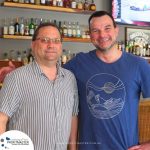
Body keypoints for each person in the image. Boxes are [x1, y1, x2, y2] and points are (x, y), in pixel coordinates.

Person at [64, 11, 150, 150]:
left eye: (107, 28)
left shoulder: (138, 65)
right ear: (90, 35)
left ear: (116, 30)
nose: (102, 35)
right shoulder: (78, 63)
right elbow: (51, 77)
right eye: (95, 30)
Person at [0, 22, 78, 150]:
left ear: (61, 45)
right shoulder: (16, 78)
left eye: (56, 40)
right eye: (45, 40)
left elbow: (73, 116)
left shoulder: (70, 78)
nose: (51, 45)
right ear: (33, 44)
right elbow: (1, 119)